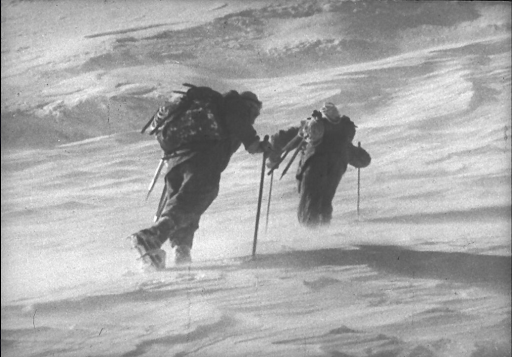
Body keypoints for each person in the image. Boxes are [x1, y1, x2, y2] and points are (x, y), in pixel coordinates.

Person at [129, 89, 273, 269]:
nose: (253, 118)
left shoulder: (204, 110)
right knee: (192, 202)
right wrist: (255, 144)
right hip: (202, 159)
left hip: (175, 161)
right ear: (251, 107)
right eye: (255, 113)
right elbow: (241, 126)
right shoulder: (237, 106)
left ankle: (181, 254)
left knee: (183, 204)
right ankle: (152, 236)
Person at [267, 102, 371, 227]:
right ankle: (322, 234)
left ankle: (309, 237)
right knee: (325, 201)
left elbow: (279, 140)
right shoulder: (342, 137)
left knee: (309, 202)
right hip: (338, 164)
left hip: (314, 163)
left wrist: (272, 158)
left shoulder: (310, 131)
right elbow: (363, 160)